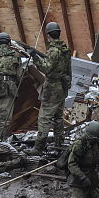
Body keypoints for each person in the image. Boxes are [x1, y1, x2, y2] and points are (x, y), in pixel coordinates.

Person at [28, 22, 72, 154]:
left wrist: (35, 58)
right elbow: (69, 69)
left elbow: (46, 69)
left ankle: (38, 148)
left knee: (44, 117)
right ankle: (59, 143)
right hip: (62, 88)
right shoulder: (65, 50)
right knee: (58, 117)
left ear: (48, 35)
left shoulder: (52, 51)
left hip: (52, 89)